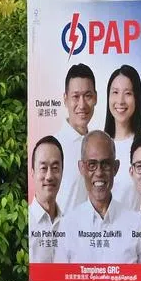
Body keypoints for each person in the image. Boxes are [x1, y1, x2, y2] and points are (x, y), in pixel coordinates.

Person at [59, 131, 141, 265]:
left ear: (115, 167)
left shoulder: (137, 224)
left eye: (105, 164)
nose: (99, 173)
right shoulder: (67, 226)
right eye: (92, 165)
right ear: (81, 168)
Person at [55, 64, 98, 211]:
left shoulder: (99, 145)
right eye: (75, 96)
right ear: (65, 99)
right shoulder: (54, 148)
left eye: (87, 96)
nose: (82, 104)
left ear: (95, 98)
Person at [103, 64, 141, 206]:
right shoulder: (97, 146)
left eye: (127, 93)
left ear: (137, 98)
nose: (120, 101)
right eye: (115, 92)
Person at [28, 135, 66, 263]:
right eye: (43, 168)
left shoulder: (70, 225)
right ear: (32, 172)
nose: (49, 176)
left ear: (62, 172)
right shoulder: (25, 224)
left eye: (55, 168)